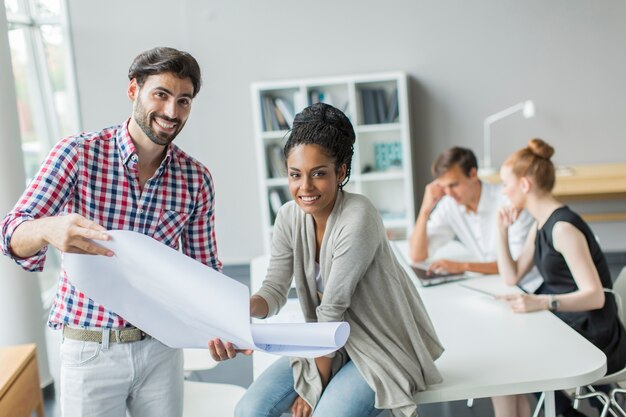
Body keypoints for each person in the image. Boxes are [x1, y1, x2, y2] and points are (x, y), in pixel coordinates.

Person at [0, 47, 221, 417]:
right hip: (90, 350)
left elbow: (204, 271)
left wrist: (221, 326)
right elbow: (10, 235)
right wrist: (47, 228)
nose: (172, 112)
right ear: (133, 90)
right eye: (161, 95)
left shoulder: (195, 178)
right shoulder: (77, 154)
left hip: (162, 350)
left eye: (183, 101)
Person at [209, 102, 444, 417]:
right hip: (324, 342)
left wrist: (313, 389)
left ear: (341, 171)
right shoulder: (288, 217)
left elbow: (332, 311)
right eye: (295, 175)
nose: (304, 187)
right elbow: (274, 290)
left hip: (379, 346)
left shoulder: (359, 216)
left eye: (318, 174)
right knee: (249, 411)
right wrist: (244, 308)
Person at [492, 138, 626, 417]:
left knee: (503, 362)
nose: (503, 192)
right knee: (503, 361)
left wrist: (541, 302)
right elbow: (511, 274)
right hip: (572, 322)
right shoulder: (540, 223)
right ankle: (567, 411)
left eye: (507, 184)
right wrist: (501, 231)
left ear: (525, 185)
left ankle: (565, 411)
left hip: (595, 332)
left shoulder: (562, 228)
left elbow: (595, 295)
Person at [409, 146, 542, 292]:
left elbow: (515, 266)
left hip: (528, 287)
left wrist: (462, 266)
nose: (448, 193)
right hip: (494, 285)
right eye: (443, 187)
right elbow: (417, 255)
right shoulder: (449, 205)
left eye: (454, 185)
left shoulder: (509, 201)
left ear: (473, 174)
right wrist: (425, 210)